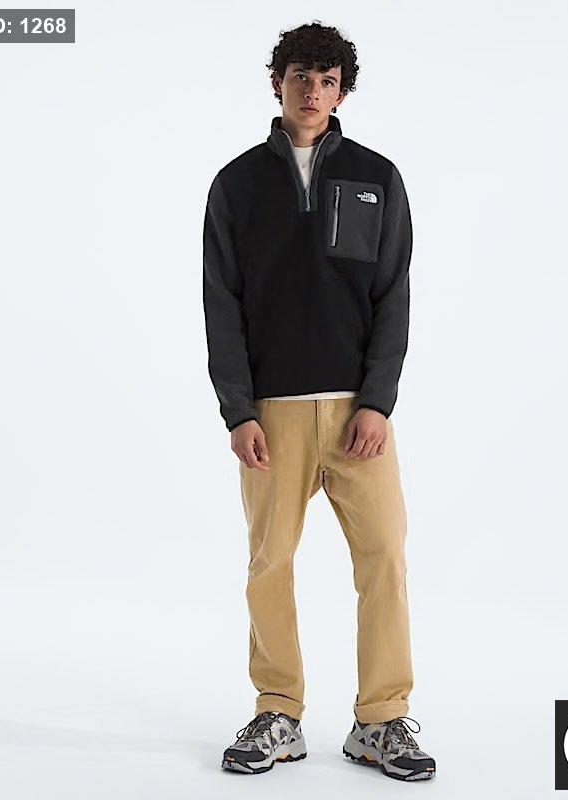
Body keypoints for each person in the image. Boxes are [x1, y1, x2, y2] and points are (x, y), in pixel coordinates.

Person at [203, 21, 436, 782]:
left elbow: (393, 295)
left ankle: (381, 720)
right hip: (272, 414)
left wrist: (378, 401)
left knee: (385, 557)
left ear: (343, 92)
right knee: (270, 561)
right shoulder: (237, 184)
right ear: (278, 82)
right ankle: (278, 711)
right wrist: (239, 410)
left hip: (357, 411)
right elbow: (221, 304)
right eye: (300, 75)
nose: (312, 90)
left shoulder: (376, 176)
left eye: (327, 80)